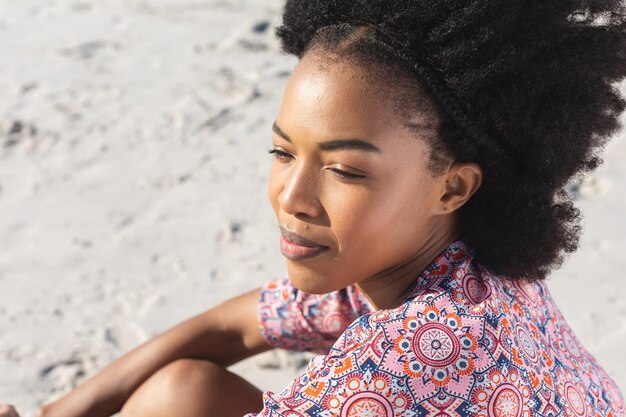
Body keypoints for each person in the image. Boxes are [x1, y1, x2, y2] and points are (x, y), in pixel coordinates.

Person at [3, 0, 626, 416]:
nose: (292, 199)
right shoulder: (462, 270)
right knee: (184, 393)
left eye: (346, 170)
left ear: (452, 188)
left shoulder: (408, 359)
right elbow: (236, 325)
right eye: (282, 152)